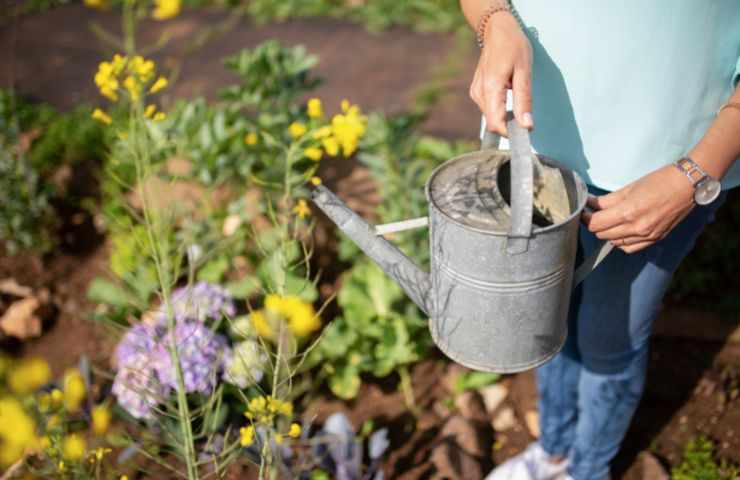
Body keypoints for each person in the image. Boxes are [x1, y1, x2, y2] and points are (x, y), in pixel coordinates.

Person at [459, 1, 740, 479]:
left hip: (664, 167)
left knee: (609, 336)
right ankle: (553, 449)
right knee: (546, 309)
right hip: (537, 139)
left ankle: (588, 470)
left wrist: (694, 175)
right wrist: (494, 19)